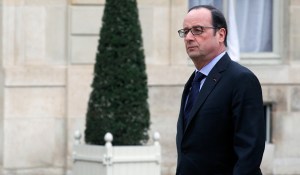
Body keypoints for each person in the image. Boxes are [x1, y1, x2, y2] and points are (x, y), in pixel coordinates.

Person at [176, 5, 265, 175]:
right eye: (185, 31)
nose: (188, 37)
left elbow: (249, 154)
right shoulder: (193, 82)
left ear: (221, 34)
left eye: (197, 30)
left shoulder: (241, 79)